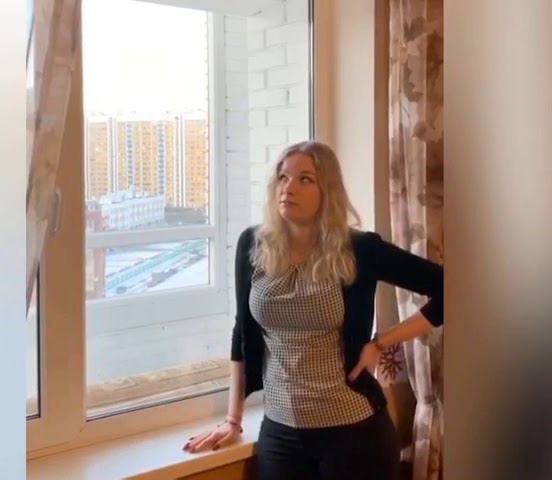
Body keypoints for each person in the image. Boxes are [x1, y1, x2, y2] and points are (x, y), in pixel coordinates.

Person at [182, 141, 443, 479]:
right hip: (280, 435)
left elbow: (447, 288)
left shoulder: (359, 249)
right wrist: (233, 420)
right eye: (282, 177)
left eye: (304, 179)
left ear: (328, 190)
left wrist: (380, 342)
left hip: (355, 435)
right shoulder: (252, 245)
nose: (288, 188)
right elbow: (241, 334)